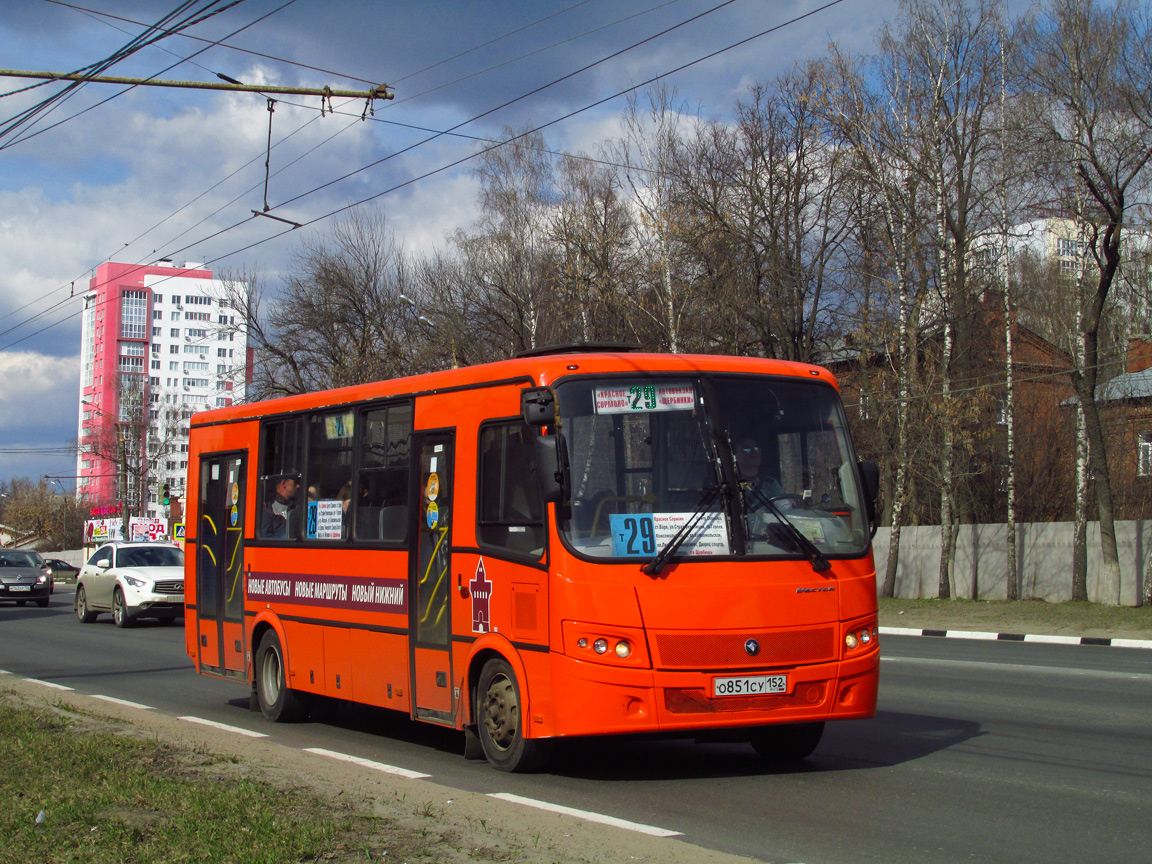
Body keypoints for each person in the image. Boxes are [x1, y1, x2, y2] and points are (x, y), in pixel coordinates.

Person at [733, 437, 784, 508]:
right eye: (747, 449)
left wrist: (795, 507)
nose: (754, 452)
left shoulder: (770, 484)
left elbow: (783, 507)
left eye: (756, 448)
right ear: (737, 455)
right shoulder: (731, 485)